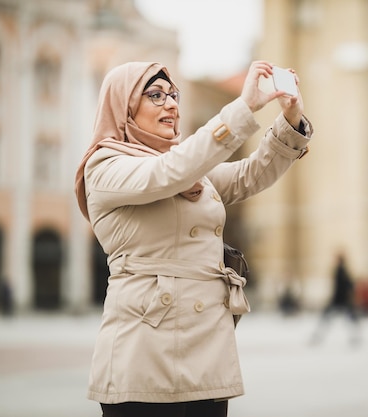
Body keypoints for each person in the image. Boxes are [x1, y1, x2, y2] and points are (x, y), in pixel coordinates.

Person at [74, 60, 312, 417]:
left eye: (173, 94)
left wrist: (291, 119)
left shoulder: (188, 165)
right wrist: (244, 107)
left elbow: (248, 175)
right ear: (123, 106)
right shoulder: (105, 167)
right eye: (155, 95)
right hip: (144, 361)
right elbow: (167, 173)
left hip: (206, 356)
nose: (171, 104)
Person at [310, 252, 361, 346]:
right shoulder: (343, 270)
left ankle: (317, 336)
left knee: (328, 319)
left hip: (339, 300)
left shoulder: (340, 271)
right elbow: (350, 285)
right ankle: (355, 338)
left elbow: (345, 286)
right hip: (341, 300)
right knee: (347, 319)